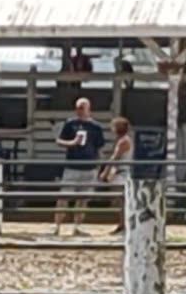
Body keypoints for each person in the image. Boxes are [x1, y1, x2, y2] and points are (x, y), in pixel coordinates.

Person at [53, 97, 106, 235]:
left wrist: (100, 168)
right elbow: (59, 141)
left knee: (83, 200)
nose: (79, 111)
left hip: (90, 167)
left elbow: (99, 149)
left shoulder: (96, 127)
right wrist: (72, 143)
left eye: (82, 108)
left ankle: (77, 226)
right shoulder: (70, 124)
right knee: (63, 197)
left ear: (89, 109)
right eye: (78, 108)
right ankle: (57, 226)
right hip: (72, 166)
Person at [99, 116, 134, 236]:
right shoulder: (121, 140)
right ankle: (121, 224)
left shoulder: (123, 141)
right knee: (119, 202)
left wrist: (106, 172)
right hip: (120, 172)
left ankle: (124, 225)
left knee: (122, 201)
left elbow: (115, 158)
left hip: (123, 174)